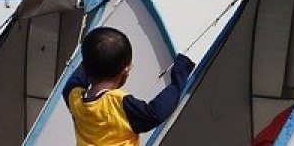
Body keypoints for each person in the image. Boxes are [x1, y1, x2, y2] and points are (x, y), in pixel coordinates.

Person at [61, 27, 195, 146]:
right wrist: (179, 77)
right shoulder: (117, 103)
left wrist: (91, 58)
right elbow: (154, 114)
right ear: (125, 71)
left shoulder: (75, 99)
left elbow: (73, 82)